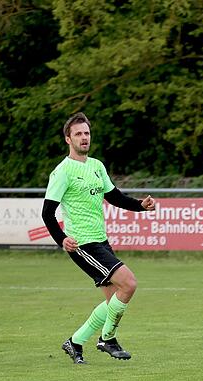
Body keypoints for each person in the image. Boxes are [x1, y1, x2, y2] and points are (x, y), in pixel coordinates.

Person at [42, 112, 156, 364]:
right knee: (129, 283)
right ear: (68, 139)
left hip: (100, 240)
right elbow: (47, 213)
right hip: (82, 244)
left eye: (87, 133)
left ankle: (75, 342)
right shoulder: (62, 172)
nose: (84, 138)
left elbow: (115, 197)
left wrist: (141, 205)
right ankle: (107, 339)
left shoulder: (96, 166)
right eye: (78, 134)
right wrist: (62, 239)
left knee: (112, 299)